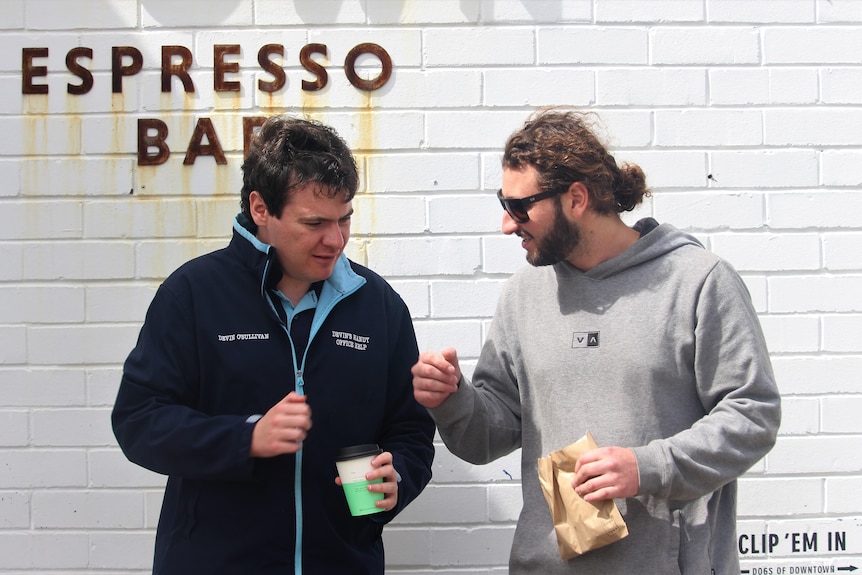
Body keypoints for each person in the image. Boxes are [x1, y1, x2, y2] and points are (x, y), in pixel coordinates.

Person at [412, 107, 780, 574]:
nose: (507, 224)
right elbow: (488, 438)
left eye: (518, 207)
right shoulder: (524, 295)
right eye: (504, 204)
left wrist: (648, 467)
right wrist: (451, 399)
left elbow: (754, 414)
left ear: (577, 198)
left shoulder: (698, 282)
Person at [112, 115, 435, 575]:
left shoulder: (377, 304)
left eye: (345, 219)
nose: (336, 240)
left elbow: (410, 430)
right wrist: (246, 438)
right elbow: (139, 422)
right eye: (314, 222)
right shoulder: (194, 294)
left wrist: (397, 475)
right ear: (261, 208)